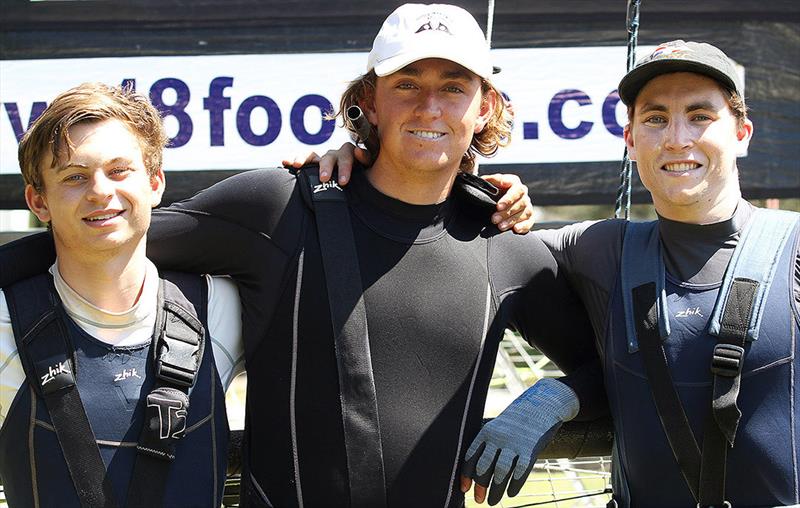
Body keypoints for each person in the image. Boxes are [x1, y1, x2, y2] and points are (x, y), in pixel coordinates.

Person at [0, 4, 601, 507]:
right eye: (407, 85)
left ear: (486, 105)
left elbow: (619, 374)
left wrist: (547, 400)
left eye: (454, 87)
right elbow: (103, 235)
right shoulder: (280, 207)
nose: (430, 108)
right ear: (368, 99)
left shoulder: (505, 241)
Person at [461, 40, 800, 507]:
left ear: (742, 133)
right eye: (656, 118)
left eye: (700, 116)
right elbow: (464, 237)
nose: (677, 138)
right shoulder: (600, 250)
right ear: (631, 140)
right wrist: (347, 168)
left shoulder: (795, 249)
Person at [0, 82, 244, 507]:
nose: (100, 191)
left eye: (119, 171)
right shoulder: (5, 322)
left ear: (154, 183)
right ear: (38, 202)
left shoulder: (223, 307)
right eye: (74, 177)